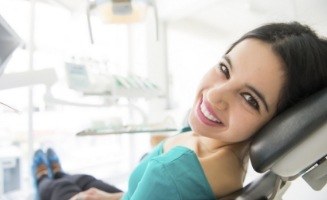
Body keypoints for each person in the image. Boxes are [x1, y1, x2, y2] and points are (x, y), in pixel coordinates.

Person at [32, 21, 327, 200]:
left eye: (250, 99)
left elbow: (163, 187)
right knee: (83, 182)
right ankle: (59, 173)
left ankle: (46, 177)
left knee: (56, 190)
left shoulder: (170, 176)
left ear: (280, 123)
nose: (214, 95)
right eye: (225, 69)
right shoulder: (212, 143)